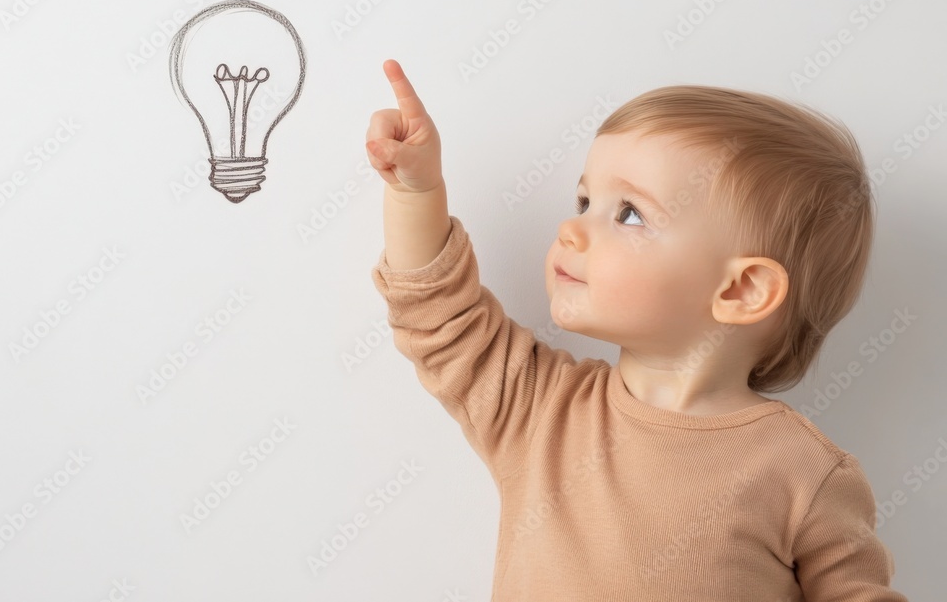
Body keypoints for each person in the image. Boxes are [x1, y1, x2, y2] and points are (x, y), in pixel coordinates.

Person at [365, 59, 907, 601]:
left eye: (628, 214)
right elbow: (438, 314)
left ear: (741, 291)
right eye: (584, 201)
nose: (571, 228)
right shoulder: (540, 411)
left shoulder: (804, 472)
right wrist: (416, 193)